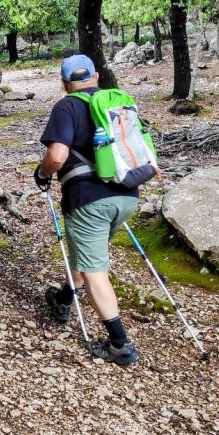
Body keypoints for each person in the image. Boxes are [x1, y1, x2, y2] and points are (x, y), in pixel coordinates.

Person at [34, 54, 146, 366]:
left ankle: (119, 344)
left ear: (64, 83)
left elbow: (57, 156)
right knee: (86, 253)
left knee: (95, 271)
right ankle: (63, 299)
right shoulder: (118, 102)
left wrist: (42, 174)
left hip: (88, 199)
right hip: (126, 194)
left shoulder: (67, 106)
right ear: (96, 76)